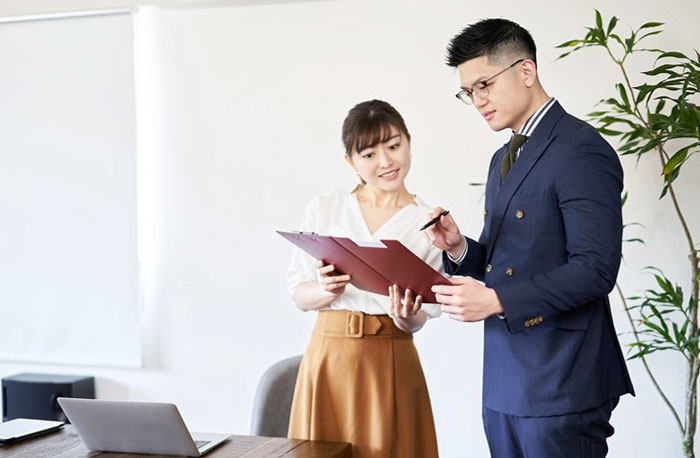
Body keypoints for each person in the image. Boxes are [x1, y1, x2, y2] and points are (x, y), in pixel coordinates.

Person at [425, 19, 635, 458]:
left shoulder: (580, 147)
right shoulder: (504, 156)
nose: (477, 101)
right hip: (506, 377)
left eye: (484, 84)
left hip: (563, 378)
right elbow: (509, 260)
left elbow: (595, 269)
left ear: (526, 71)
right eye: (469, 92)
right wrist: (459, 247)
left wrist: (498, 300)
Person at [286, 99, 441, 458]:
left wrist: (406, 316)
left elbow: (421, 318)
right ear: (350, 162)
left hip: (390, 357)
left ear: (408, 142)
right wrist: (325, 290)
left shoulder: (428, 222)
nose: (385, 162)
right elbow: (298, 294)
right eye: (369, 154)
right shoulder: (326, 207)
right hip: (328, 357)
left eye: (393, 145)